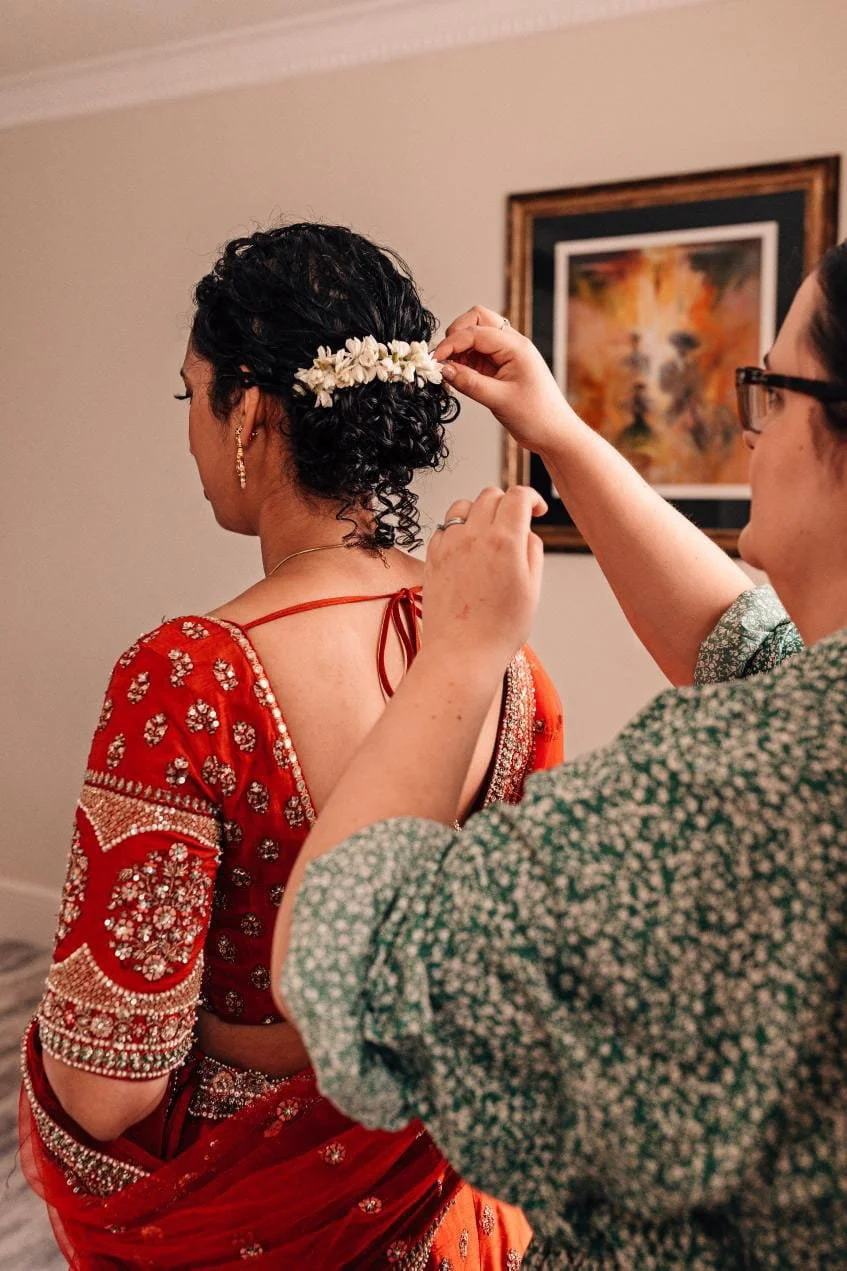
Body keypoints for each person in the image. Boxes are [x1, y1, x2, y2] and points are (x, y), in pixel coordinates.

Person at [271, 242, 847, 1268]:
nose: (751, 433)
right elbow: (755, 651)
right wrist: (561, 434)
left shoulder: (745, 788)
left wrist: (456, 654)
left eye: (769, 388)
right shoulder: (807, 712)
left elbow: (340, 957)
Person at [20, 223, 564, 1269]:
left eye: (194, 395)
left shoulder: (191, 673)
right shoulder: (499, 650)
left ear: (254, 415)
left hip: (258, 1211)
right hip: (449, 1199)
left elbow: (106, 1080)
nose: (189, 433)